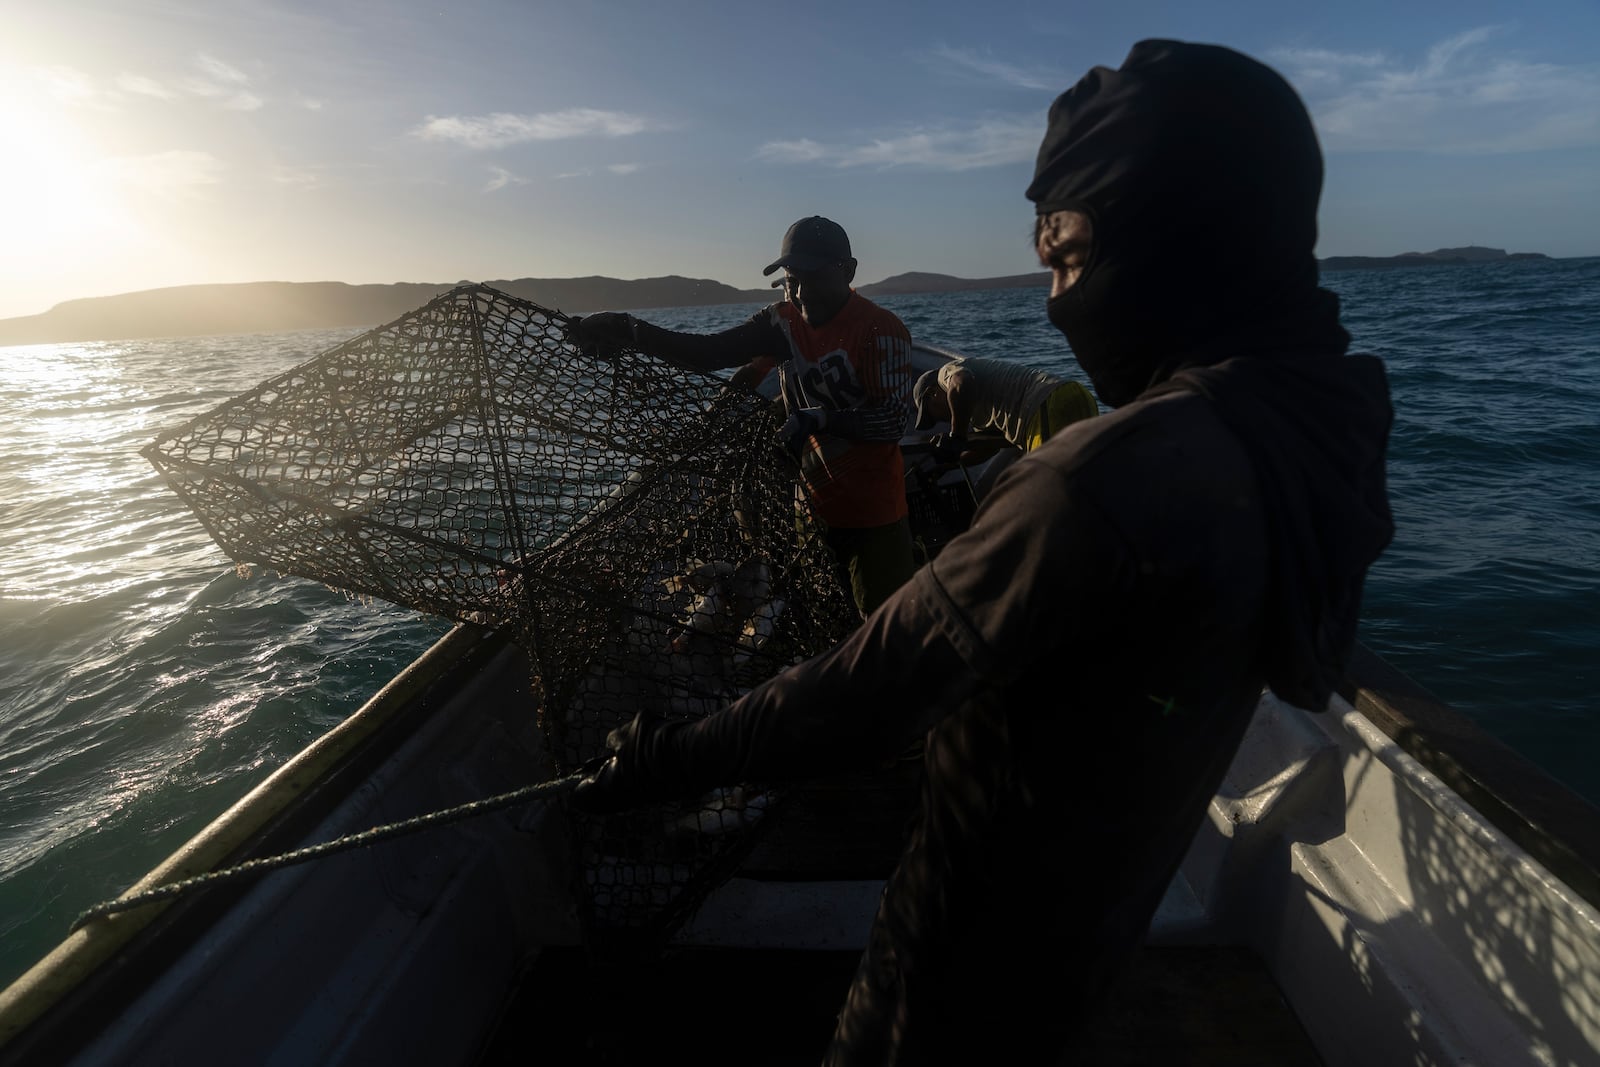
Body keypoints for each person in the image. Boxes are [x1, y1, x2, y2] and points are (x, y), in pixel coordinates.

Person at [573, 38, 1394, 1065]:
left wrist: (659, 756)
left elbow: (865, 691)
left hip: (955, 970)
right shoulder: (1300, 436)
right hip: (1081, 942)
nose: (1055, 298)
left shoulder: (1101, 481)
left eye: (1067, 259)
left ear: (1170, 232)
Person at [574, 216, 916, 617]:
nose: (801, 293)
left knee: (888, 626)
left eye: (814, 277)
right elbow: (707, 353)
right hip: (811, 506)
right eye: (792, 278)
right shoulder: (780, 323)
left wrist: (820, 420)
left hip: (873, 514)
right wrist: (626, 328)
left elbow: (892, 421)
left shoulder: (880, 329)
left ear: (848, 270)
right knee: (829, 612)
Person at [910, 355, 1098, 462]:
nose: (939, 421)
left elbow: (962, 384)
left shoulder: (947, 373)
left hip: (1047, 406)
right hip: (1077, 397)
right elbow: (986, 450)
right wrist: (954, 458)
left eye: (931, 414)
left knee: (1050, 492)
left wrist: (957, 436)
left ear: (932, 392)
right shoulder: (980, 411)